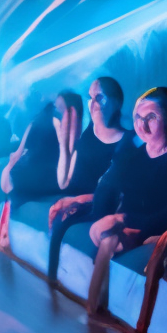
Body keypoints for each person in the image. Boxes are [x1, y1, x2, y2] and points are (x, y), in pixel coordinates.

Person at [87, 87, 167, 254]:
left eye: (151, 118)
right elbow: (110, 188)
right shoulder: (134, 156)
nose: (142, 126)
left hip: (156, 236)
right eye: (138, 118)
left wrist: (125, 220)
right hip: (123, 230)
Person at [49, 77, 131, 228]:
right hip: (69, 197)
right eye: (90, 97)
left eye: (99, 97)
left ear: (116, 103)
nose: (92, 103)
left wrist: (79, 200)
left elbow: (120, 195)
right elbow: (65, 181)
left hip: (95, 208)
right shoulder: (88, 132)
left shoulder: (127, 142)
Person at [1, 92, 80, 205]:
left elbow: (17, 154)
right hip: (48, 179)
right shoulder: (62, 128)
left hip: (29, 177)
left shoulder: (36, 122)